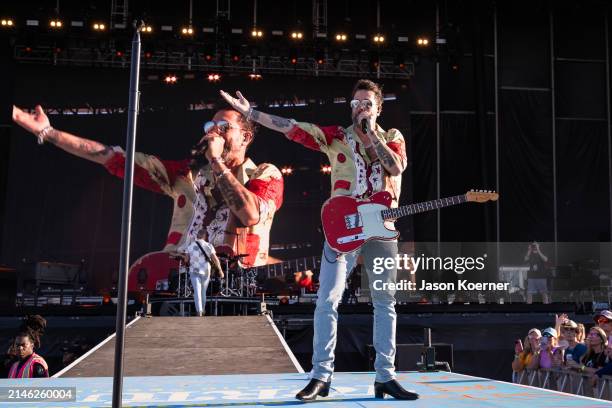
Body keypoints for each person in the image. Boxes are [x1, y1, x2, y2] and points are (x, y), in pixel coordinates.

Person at [220, 79, 417, 401]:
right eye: (355, 104)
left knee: (385, 303)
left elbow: (395, 166)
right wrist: (251, 113)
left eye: (366, 104)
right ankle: (321, 376)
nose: (360, 108)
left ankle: (386, 377)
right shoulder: (336, 137)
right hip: (343, 229)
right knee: (327, 300)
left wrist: (370, 135)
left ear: (378, 108)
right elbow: (292, 127)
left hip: (381, 228)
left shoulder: (392, 137)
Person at [11, 105, 283, 270]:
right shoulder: (186, 175)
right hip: (178, 282)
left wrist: (214, 160)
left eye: (223, 127)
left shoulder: (265, 174)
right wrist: (46, 132)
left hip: (237, 288)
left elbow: (249, 214)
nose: (213, 132)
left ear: (245, 136)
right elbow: (113, 157)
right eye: (210, 126)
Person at [182, 231, 223, 316]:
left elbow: (186, 260)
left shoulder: (190, 246)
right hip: (206, 271)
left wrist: (188, 260)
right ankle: (202, 310)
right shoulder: (209, 246)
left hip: (194, 270)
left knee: (197, 291)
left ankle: (199, 311)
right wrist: (220, 270)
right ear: (204, 236)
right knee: (203, 291)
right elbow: (215, 259)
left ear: (197, 236)